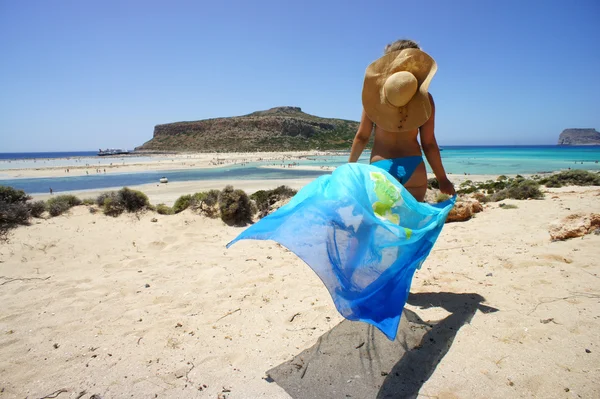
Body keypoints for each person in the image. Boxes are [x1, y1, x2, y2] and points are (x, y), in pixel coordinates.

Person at [349, 39, 455, 202]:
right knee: (411, 224)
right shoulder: (425, 100)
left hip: (381, 168)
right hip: (414, 169)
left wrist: (349, 167)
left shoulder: (374, 97)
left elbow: (362, 137)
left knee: (385, 224)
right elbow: (429, 144)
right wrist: (442, 179)